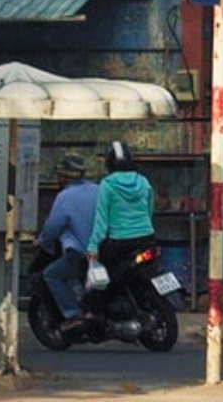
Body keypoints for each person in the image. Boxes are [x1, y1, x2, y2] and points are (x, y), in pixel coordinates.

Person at [35, 154, 99, 330]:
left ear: (64, 176)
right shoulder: (97, 189)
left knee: (51, 274)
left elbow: (53, 227)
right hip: (106, 250)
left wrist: (41, 241)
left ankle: (73, 313)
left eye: (59, 175)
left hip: (81, 253)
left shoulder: (65, 197)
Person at [87, 141, 157, 280]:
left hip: (120, 244)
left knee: (104, 280)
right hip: (147, 239)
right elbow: (150, 211)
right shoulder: (143, 181)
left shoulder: (107, 185)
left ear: (109, 163)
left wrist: (93, 247)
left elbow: (101, 222)